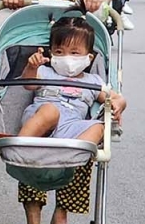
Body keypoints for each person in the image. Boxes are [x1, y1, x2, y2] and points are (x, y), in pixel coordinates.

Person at [0, 0, 111, 224]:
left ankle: (60, 221)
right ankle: (33, 223)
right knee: (33, 130)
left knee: (85, 133)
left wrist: (96, 1)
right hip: (36, 60)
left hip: (78, 61)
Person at [16, 17, 127, 151]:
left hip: (71, 127)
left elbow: (115, 97)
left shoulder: (92, 81)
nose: (67, 57)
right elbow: (28, 84)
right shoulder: (44, 72)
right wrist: (32, 67)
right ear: (51, 54)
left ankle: (71, 155)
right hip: (40, 120)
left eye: (74, 53)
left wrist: (119, 103)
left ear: (89, 58)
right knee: (50, 111)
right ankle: (18, 146)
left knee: (99, 128)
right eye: (59, 52)